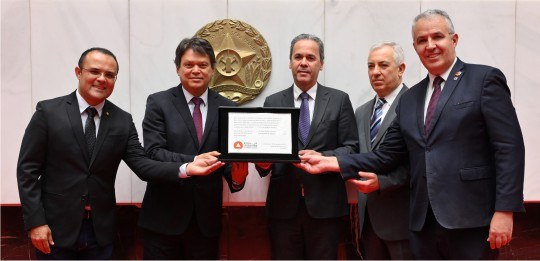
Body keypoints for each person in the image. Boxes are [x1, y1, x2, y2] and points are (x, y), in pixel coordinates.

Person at [298, 9, 525, 260]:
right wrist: (330, 162)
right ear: (415, 47)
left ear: (454, 39)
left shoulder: (483, 79)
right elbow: (385, 155)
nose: (430, 45)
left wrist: (505, 210)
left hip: (472, 222)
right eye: (421, 40)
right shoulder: (411, 99)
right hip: (422, 225)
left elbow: (508, 147)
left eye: (437, 37)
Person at [16, 47, 224, 260]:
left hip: (100, 231)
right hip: (54, 229)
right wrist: (36, 222)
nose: (101, 79)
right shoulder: (49, 112)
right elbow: (27, 171)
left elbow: (142, 164)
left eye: (109, 75)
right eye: (94, 71)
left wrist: (187, 167)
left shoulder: (121, 120)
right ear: (78, 72)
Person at [138, 37, 248, 260]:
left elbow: (229, 158)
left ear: (213, 69)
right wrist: (192, 162)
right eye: (189, 65)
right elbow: (153, 152)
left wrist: (237, 178)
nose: (196, 70)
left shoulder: (228, 107)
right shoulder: (158, 103)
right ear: (178, 68)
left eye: (203, 65)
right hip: (163, 219)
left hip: (205, 222)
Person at [255, 33, 358, 259]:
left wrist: (322, 157)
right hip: (283, 207)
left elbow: (351, 148)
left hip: (325, 207)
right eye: (298, 56)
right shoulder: (273, 102)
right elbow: (265, 154)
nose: (303, 62)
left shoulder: (339, 100)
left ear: (321, 63)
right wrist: (262, 164)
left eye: (311, 57)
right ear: (290, 62)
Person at [350, 42, 412, 259]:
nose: (375, 72)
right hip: (367, 223)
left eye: (383, 65)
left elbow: (423, 163)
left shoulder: (415, 105)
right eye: (370, 66)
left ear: (401, 69)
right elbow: (355, 156)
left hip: (404, 223)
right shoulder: (361, 112)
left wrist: (384, 182)